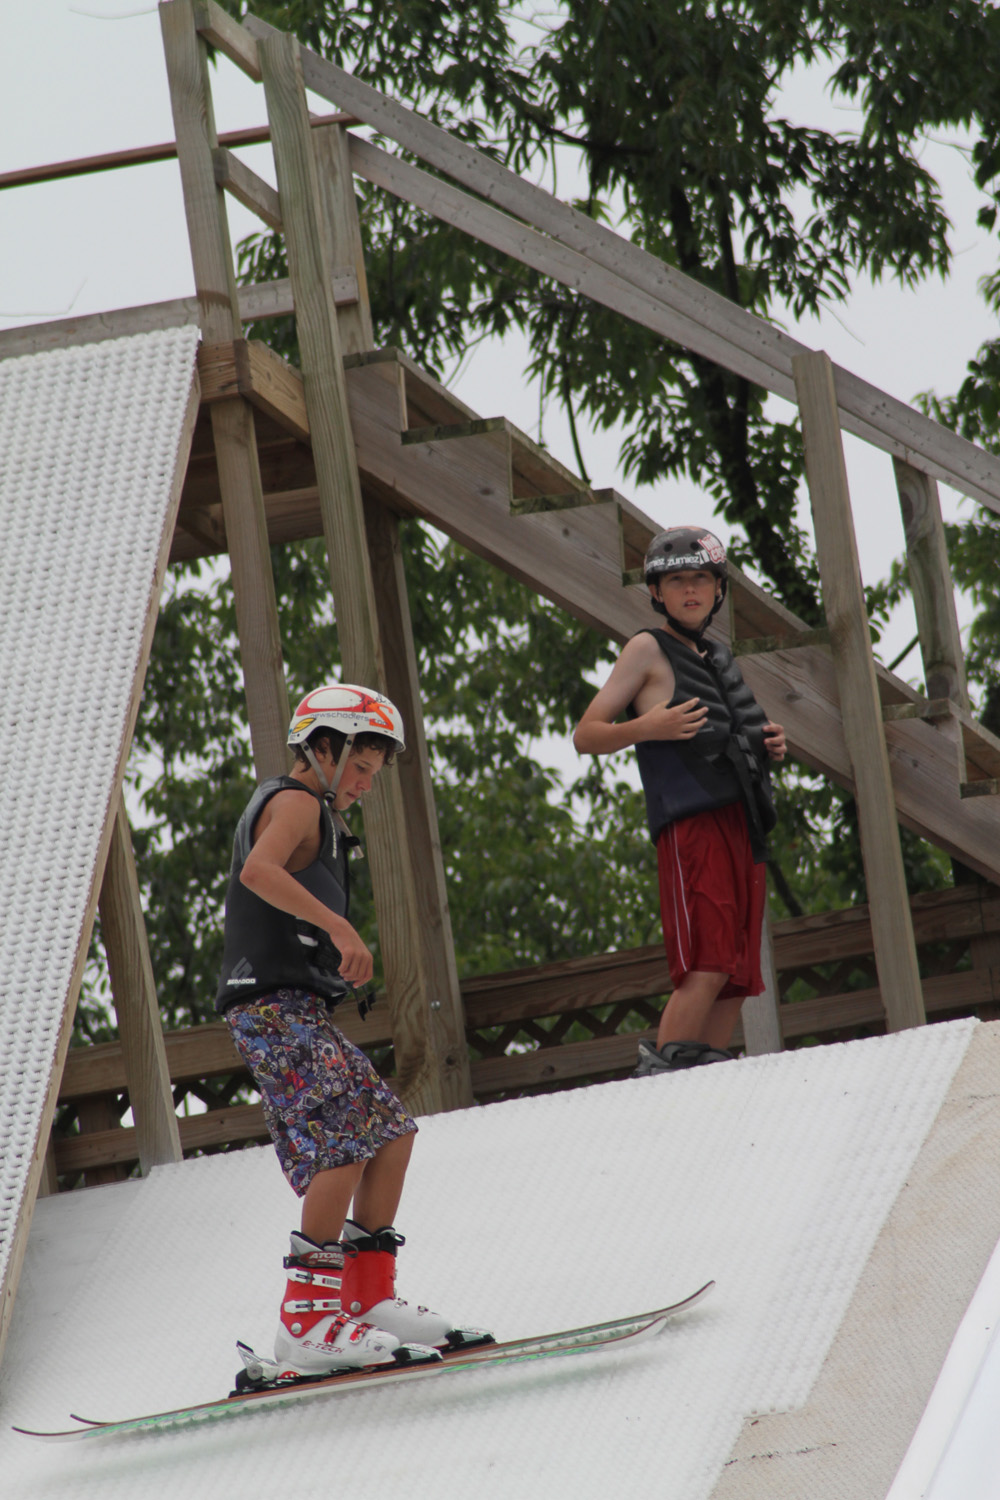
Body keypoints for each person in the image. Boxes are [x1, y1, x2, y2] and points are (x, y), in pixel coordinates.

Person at [216, 683, 458, 1378]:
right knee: (342, 1142)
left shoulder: (314, 809)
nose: (363, 784)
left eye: (373, 775)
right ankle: (306, 1323)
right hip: (270, 1009)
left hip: (294, 1006)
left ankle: (366, 1298)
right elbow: (259, 870)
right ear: (323, 746)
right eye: (359, 768)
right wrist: (339, 926)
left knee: (390, 1129)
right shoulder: (296, 802)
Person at [572, 528, 786, 1077]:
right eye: (676, 580)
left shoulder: (717, 653)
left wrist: (768, 743)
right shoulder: (646, 648)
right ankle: (661, 1085)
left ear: (718, 589)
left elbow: (726, 730)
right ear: (657, 592)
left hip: (743, 822)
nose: (689, 590)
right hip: (692, 826)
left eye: (700, 579)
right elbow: (587, 734)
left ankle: (704, 1082)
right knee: (707, 964)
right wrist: (650, 725)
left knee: (739, 973)